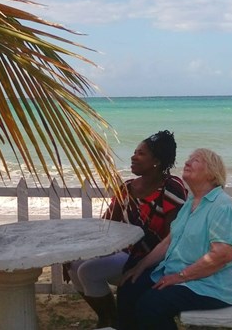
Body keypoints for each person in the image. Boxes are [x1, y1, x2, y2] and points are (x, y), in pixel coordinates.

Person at [65, 130, 187, 329]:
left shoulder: (171, 187)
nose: (133, 156)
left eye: (141, 153)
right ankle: (109, 318)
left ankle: (112, 320)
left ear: (156, 161)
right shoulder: (126, 188)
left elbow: (175, 236)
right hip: (123, 252)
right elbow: (106, 224)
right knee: (74, 265)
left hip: (153, 260)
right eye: (134, 152)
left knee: (88, 271)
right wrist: (79, 249)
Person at [116, 148, 232, 330]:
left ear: (212, 173)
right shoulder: (191, 203)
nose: (187, 162)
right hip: (180, 275)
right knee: (129, 286)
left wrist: (179, 277)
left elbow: (221, 255)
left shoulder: (222, 206)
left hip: (209, 286)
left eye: (196, 160)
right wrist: (140, 266)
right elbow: (168, 241)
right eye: (189, 158)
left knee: (151, 306)